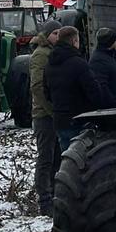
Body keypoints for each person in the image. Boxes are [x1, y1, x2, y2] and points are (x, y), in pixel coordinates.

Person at [45, 25, 106, 154]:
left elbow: (46, 93)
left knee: (68, 162)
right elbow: (95, 93)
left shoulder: (49, 64)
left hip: (60, 121)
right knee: (83, 162)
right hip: (80, 120)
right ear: (74, 41)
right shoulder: (79, 63)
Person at [30, 21, 62, 215]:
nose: (58, 37)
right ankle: (44, 199)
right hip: (44, 115)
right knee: (46, 158)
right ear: (48, 35)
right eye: (55, 33)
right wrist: (51, 110)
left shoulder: (52, 53)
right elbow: (37, 87)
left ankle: (54, 193)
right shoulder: (41, 55)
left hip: (52, 114)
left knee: (56, 156)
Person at [90, 27, 116, 108]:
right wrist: (115, 104)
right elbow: (102, 87)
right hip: (113, 110)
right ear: (110, 42)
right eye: (115, 40)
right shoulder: (98, 61)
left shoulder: (110, 57)